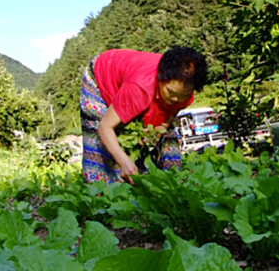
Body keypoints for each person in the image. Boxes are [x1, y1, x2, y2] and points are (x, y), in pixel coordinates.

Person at [80, 46, 208, 184]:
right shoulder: (140, 87)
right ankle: (101, 192)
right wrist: (123, 161)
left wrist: (163, 126)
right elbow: (104, 127)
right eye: (171, 92)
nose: (176, 100)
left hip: (133, 88)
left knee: (165, 138)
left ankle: (167, 184)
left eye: (183, 95)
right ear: (160, 77)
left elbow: (174, 111)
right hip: (100, 79)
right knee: (101, 145)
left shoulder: (185, 90)